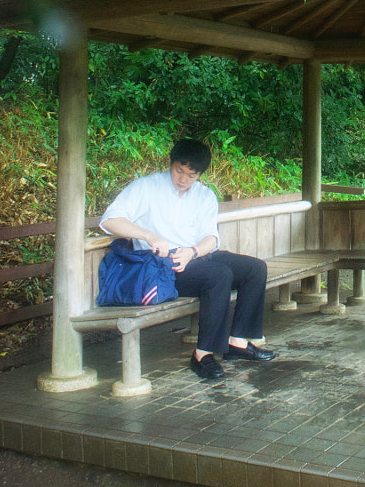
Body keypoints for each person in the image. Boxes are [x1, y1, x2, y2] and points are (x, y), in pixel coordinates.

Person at [100, 139, 274, 379]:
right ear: (171, 163)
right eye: (178, 171)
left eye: (191, 175)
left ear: (199, 174)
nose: (183, 179)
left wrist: (193, 251)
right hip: (164, 266)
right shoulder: (146, 187)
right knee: (219, 275)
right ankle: (202, 355)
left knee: (255, 268)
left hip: (196, 255)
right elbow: (109, 221)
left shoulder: (204, 195)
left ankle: (237, 343)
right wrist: (149, 236)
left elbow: (211, 238)